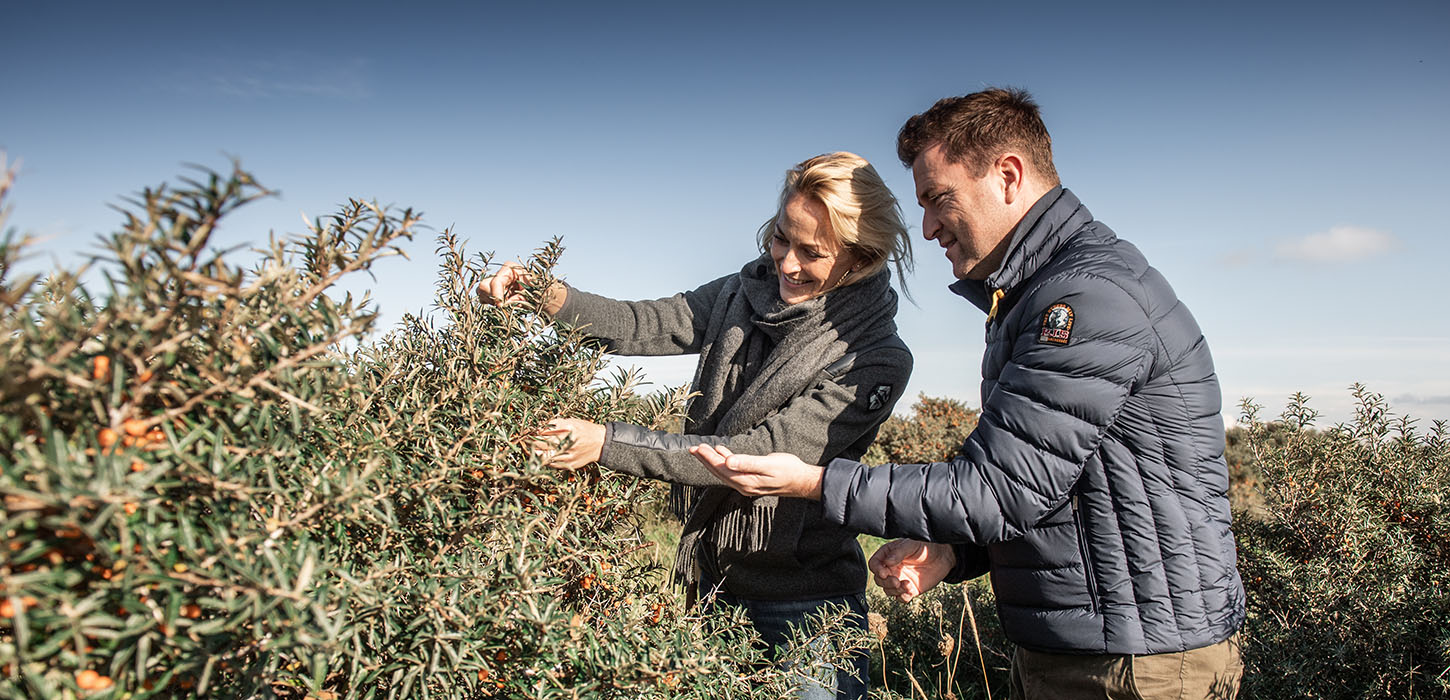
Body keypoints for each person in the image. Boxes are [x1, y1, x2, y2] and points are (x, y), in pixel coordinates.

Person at [690, 89, 1246, 699]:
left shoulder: (1085, 300)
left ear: (1007, 176)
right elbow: (1054, 484)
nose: (926, 228)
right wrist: (956, 552)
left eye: (938, 199)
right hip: (1098, 648)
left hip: (1136, 667)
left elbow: (999, 489)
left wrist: (814, 482)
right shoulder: (1037, 294)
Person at [478, 152, 915, 700]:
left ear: (860, 259)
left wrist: (607, 443)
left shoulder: (874, 357)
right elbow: (646, 323)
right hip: (711, 585)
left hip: (807, 608)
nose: (787, 263)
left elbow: (755, 455)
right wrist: (543, 293)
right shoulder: (743, 289)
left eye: (812, 252)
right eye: (781, 238)